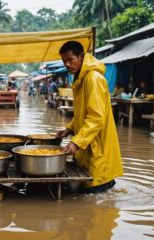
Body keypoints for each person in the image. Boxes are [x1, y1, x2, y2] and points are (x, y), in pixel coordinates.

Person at [56, 41, 123, 194]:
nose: (66, 64)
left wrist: (76, 142)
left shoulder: (93, 79)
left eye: (70, 59)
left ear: (80, 57)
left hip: (98, 151)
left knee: (98, 208)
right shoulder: (80, 79)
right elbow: (81, 113)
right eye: (64, 61)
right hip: (87, 150)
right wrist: (69, 129)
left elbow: (95, 118)